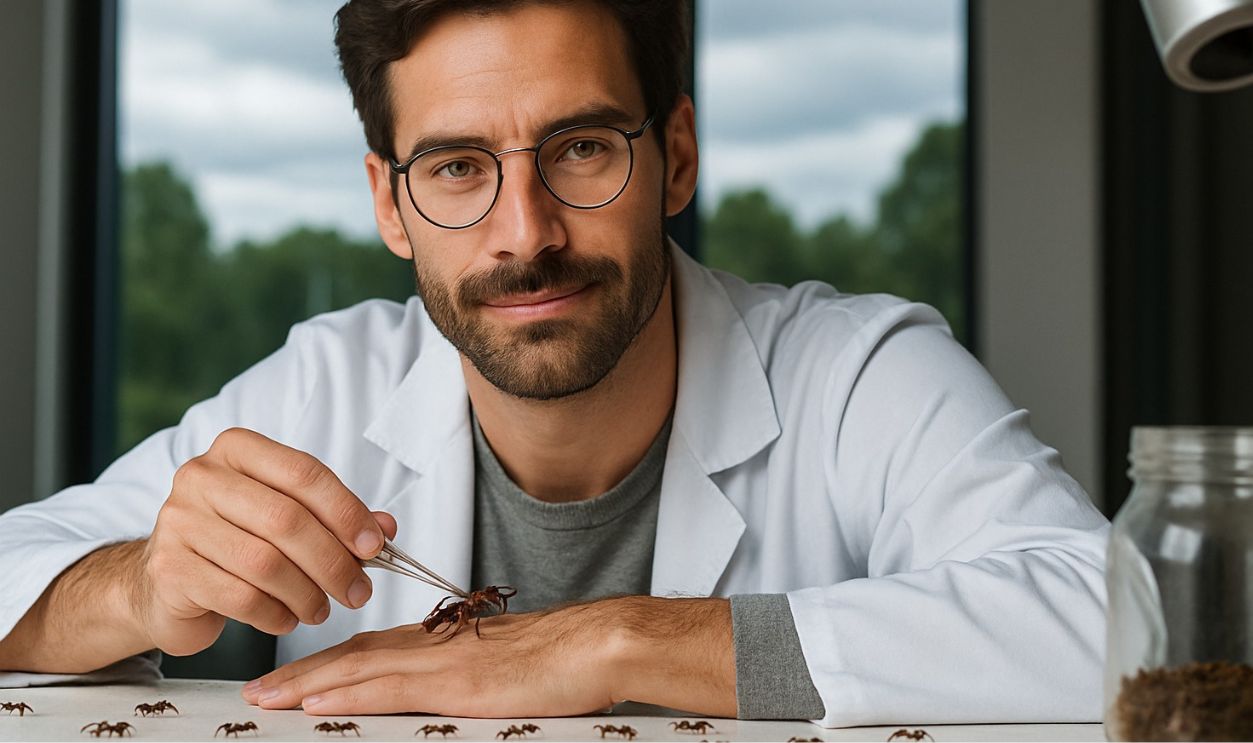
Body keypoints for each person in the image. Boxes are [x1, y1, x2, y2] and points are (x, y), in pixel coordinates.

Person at [0, 0, 1109, 727]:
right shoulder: (326, 384)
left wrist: (616, 641)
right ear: (390, 202)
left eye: (579, 148)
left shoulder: (857, 371)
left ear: (673, 155)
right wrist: (143, 583)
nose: (521, 231)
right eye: (455, 165)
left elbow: (1113, 620)